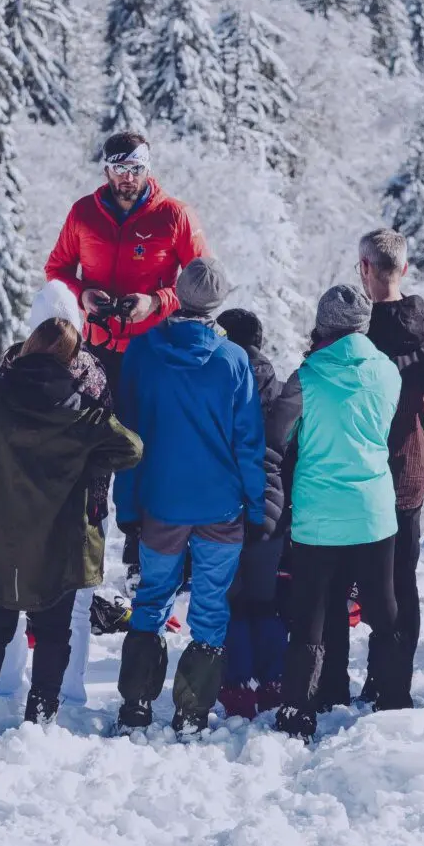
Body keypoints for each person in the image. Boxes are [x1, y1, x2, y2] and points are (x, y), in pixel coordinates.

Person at [0, 317, 144, 740]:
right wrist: (87, 463)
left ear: (27, 347)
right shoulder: (81, 413)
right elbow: (131, 448)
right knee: (53, 633)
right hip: (58, 541)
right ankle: (41, 720)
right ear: (72, 359)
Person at [111, 258, 267, 735]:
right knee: (211, 604)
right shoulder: (233, 360)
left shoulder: (141, 354)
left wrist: (127, 507)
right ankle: (192, 708)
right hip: (221, 505)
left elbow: (128, 435)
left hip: (160, 502)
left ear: (177, 293)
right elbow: (248, 443)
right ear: (217, 306)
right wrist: (257, 506)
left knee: (152, 598)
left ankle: (137, 703)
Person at [271, 286, 404, 742]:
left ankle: (300, 708)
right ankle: (389, 700)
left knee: (311, 609)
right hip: (373, 512)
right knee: (383, 609)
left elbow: (278, 436)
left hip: (318, 514)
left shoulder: (305, 378)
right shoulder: (387, 371)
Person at [0, 281, 113, 709]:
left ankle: (6, 682)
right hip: (78, 508)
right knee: (73, 610)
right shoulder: (94, 375)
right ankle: (68, 689)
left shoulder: (10, 368)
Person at [354, 229, 424, 709]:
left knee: (347, 580)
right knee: (402, 581)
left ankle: (337, 680)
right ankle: (393, 685)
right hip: (409, 473)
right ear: (406, 270)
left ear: (365, 269)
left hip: (355, 473)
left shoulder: (355, 333)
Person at [44, 131, 210, 369]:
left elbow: (202, 284)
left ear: (148, 170)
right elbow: (56, 269)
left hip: (155, 348)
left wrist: (156, 301)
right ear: (106, 170)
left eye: (137, 168)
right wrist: (82, 296)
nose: (129, 177)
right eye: (120, 168)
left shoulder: (175, 215)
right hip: (96, 347)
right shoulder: (83, 213)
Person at [215, 308, 301, 720]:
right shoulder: (282, 390)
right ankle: (273, 681)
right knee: (265, 602)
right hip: (273, 508)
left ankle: (236, 686)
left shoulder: (217, 383)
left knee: (231, 602)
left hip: (225, 506)